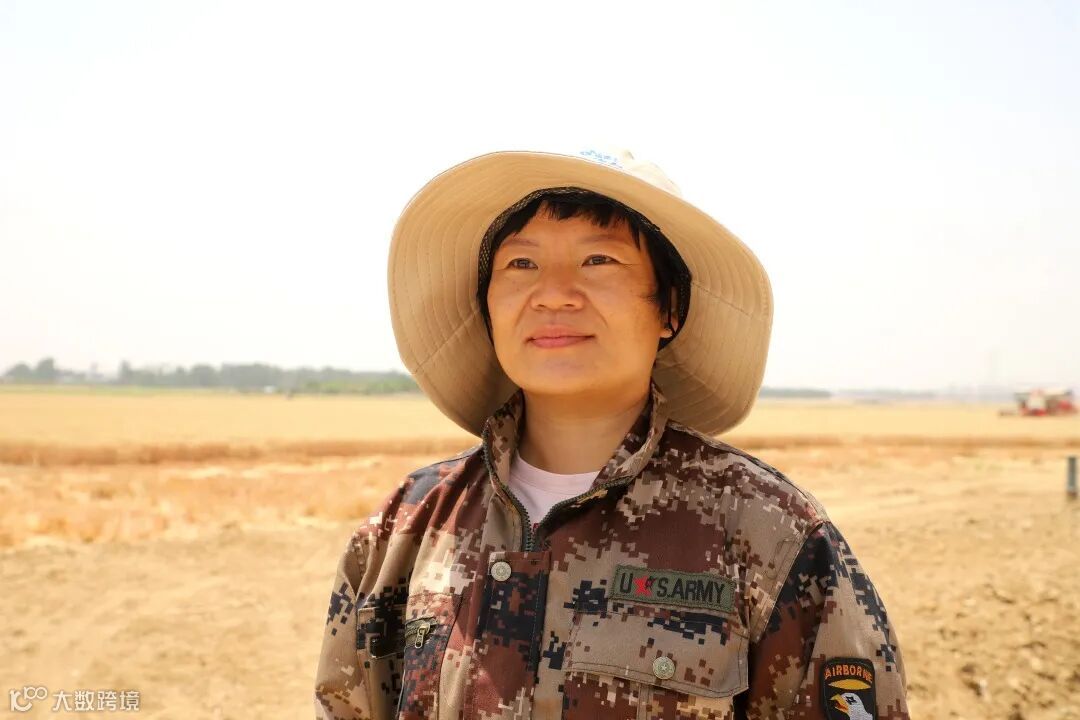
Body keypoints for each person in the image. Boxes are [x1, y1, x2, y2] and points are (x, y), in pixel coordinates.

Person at [314, 148, 909, 720]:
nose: (553, 294)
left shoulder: (767, 532)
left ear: (668, 308)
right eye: (521, 264)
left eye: (599, 260)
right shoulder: (406, 529)